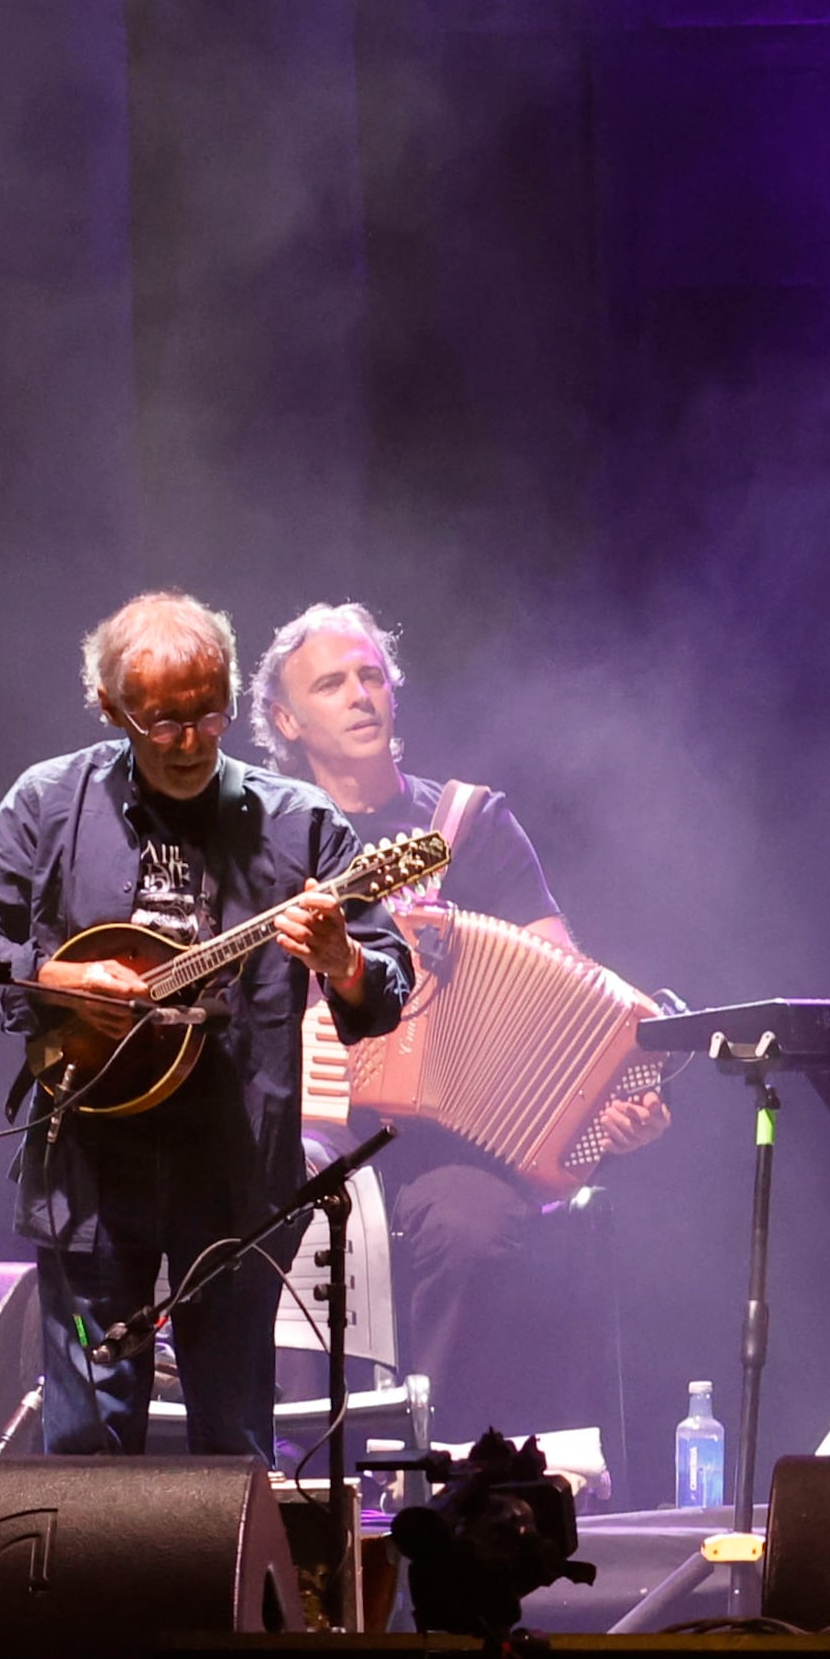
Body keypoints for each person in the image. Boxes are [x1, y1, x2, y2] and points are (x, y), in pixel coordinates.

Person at [0, 592, 418, 1465]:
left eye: (209, 712)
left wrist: (340, 960)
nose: (193, 741)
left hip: (232, 1168)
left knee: (232, 1443)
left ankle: (226, 1605)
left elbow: (382, 986)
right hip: (87, 1167)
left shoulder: (299, 824)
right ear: (113, 710)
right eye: (164, 722)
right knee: (84, 1441)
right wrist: (59, 978)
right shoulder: (50, 802)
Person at [252, 603, 668, 1444]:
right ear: (287, 721)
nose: (360, 696)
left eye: (371, 676)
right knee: (282, 1222)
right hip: (309, 1128)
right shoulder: (266, 835)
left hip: (451, 1142)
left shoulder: (467, 827)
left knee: (477, 1233)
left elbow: (569, 987)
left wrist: (616, 1103)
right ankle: (299, 1468)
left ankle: (431, 1467)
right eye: (331, 684)